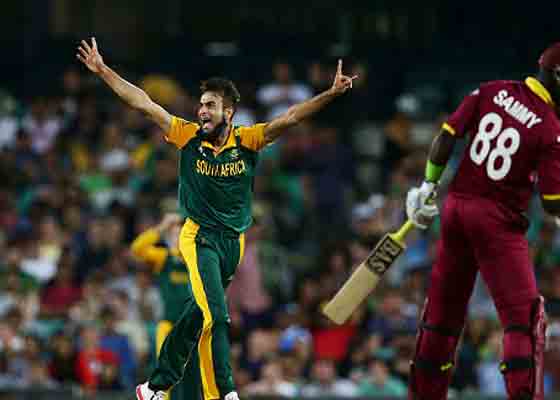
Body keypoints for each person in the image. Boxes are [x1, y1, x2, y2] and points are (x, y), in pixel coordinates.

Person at [76, 37, 357, 400]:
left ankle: (155, 386)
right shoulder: (187, 136)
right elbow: (143, 102)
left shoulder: (248, 139)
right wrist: (103, 71)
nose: (202, 111)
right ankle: (224, 393)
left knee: (198, 314)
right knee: (218, 316)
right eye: (201, 105)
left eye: (210, 105)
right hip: (199, 237)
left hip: (233, 242)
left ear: (229, 112)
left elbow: (291, 117)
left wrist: (330, 94)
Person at [404, 42, 560, 399]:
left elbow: (447, 136)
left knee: (442, 315)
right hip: (497, 222)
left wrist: (428, 185)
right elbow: (552, 201)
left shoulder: (490, 91)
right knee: (523, 321)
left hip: (456, 210)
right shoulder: (551, 130)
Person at [130, 213, 201, 400]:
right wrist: (162, 227)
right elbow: (137, 249)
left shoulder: (196, 258)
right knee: (164, 371)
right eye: (173, 235)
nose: (177, 238)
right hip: (168, 324)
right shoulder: (164, 258)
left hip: (194, 328)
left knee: (194, 375)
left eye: (181, 234)